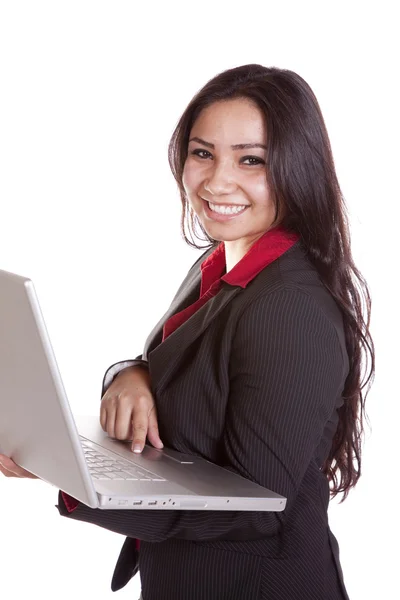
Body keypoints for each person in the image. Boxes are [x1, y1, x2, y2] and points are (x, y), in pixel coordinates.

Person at [0, 64, 375, 600]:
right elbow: (189, 372)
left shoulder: (290, 307)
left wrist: (79, 481)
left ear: (298, 168)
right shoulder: (218, 265)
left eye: (251, 160)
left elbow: (254, 509)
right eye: (203, 153)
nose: (217, 181)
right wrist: (131, 374)